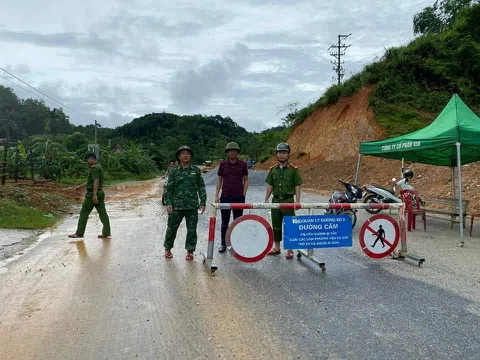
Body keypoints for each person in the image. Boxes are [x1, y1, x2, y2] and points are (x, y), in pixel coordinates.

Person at [164, 146, 207, 260]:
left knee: (192, 230)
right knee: (171, 228)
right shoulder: (174, 172)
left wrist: (202, 201)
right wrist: (168, 202)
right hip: (176, 205)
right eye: (182, 153)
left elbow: (201, 186)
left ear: (191, 156)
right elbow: (170, 188)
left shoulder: (196, 171)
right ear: (179, 156)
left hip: (192, 205)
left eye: (187, 153)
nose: (185, 155)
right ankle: (167, 249)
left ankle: (190, 251)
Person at [264, 143, 303, 259]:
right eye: (279, 152)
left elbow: (297, 186)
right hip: (275, 201)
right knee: (276, 225)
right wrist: (266, 199)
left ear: (288, 154)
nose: (281, 155)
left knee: (289, 225)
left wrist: (297, 201)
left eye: (284, 152)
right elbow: (270, 185)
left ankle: (290, 250)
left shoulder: (293, 170)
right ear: (276, 154)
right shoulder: (273, 170)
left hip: (288, 201)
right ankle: (276, 247)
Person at [215, 142, 249, 253]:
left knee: (238, 221)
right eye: (230, 150)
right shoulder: (223, 164)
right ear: (227, 152)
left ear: (237, 152)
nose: (232, 152)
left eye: (234, 150)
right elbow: (219, 180)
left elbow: (246, 179)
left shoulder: (243, 164)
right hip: (225, 196)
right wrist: (216, 195)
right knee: (225, 221)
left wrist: (244, 193)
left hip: (239, 197)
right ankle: (223, 244)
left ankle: (237, 243)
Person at [68, 153, 111, 240]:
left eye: (87, 160)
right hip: (100, 193)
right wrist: (79, 187)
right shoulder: (99, 167)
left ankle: (79, 233)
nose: (87, 162)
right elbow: (90, 181)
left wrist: (94, 194)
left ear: (91, 159)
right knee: (103, 213)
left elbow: (96, 181)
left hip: (93, 194)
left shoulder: (94, 168)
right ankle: (106, 232)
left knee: (84, 212)